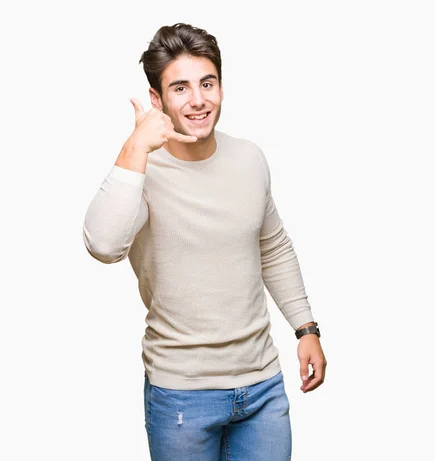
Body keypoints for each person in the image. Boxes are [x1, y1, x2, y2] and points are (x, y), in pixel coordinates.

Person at [82, 22, 326, 461]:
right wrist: (135, 147)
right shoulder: (141, 172)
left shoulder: (250, 158)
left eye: (207, 83)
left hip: (263, 388)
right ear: (157, 99)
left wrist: (306, 329)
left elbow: (272, 247)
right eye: (180, 87)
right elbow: (103, 244)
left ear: (221, 87)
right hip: (181, 394)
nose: (198, 99)